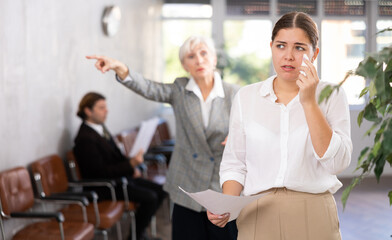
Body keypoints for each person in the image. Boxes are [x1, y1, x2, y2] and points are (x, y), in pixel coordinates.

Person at [207, 11, 353, 240]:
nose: (288, 56)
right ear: (271, 47)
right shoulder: (246, 97)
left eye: (299, 48)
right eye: (281, 46)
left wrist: (309, 103)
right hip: (257, 214)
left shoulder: (332, 96)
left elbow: (337, 162)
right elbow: (235, 163)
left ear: (314, 53)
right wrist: (227, 203)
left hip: (313, 212)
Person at [86, 36, 239, 240]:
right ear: (185, 65)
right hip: (187, 184)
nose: (199, 60)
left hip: (221, 185)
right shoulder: (179, 89)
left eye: (204, 54)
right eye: (191, 56)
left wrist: (239, 134)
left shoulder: (235, 94)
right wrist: (119, 67)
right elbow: (148, 88)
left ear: (214, 59)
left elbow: (255, 124)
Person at [74, 92, 166, 240]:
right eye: (101, 107)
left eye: (106, 107)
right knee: (150, 197)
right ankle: (135, 236)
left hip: (119, 179)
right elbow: (99, 172)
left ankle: (138, 233)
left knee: (161, 190)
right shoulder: (85, 138)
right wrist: (130, 165)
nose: (106, 111)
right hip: (104, 187)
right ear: (88, 111)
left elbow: (115, 156)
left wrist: (132, 168)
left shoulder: (100, 129)